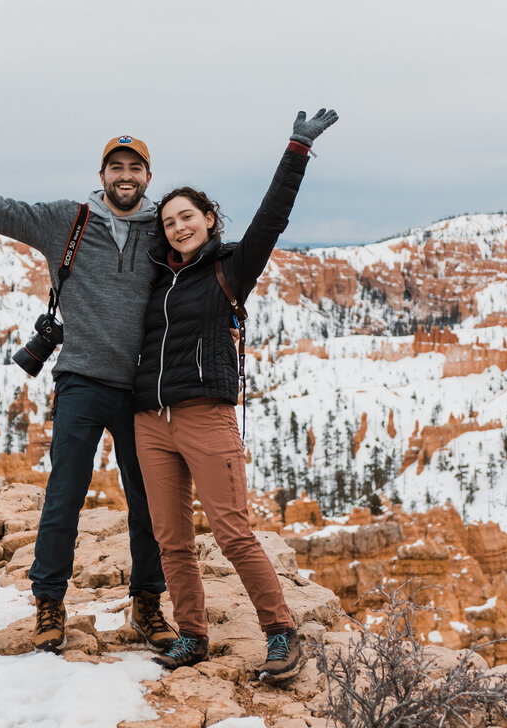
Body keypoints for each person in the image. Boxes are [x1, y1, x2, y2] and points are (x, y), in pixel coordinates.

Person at [0, 122, 177, 652]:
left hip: (141, 387)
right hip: (82, 380)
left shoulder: (162, 230)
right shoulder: (67, 220)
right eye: (117, 167)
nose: (125, 176)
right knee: (64, 496)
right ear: (103, 175)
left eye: (135, 168)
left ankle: (147, 604)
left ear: (147, 177)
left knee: (148, 502)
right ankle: (48, 603)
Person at [132, 108, 339, 679]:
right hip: (150, 421)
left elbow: (272, 219)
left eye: (188, 217)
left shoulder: (229, 268)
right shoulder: (153, 278)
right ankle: (192, 636)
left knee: (231, 531)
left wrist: (296, 149)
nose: (178, 227)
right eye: (169, 221)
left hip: (206, 415)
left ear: (208, 218)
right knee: (171, 539)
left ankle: (280, 631)